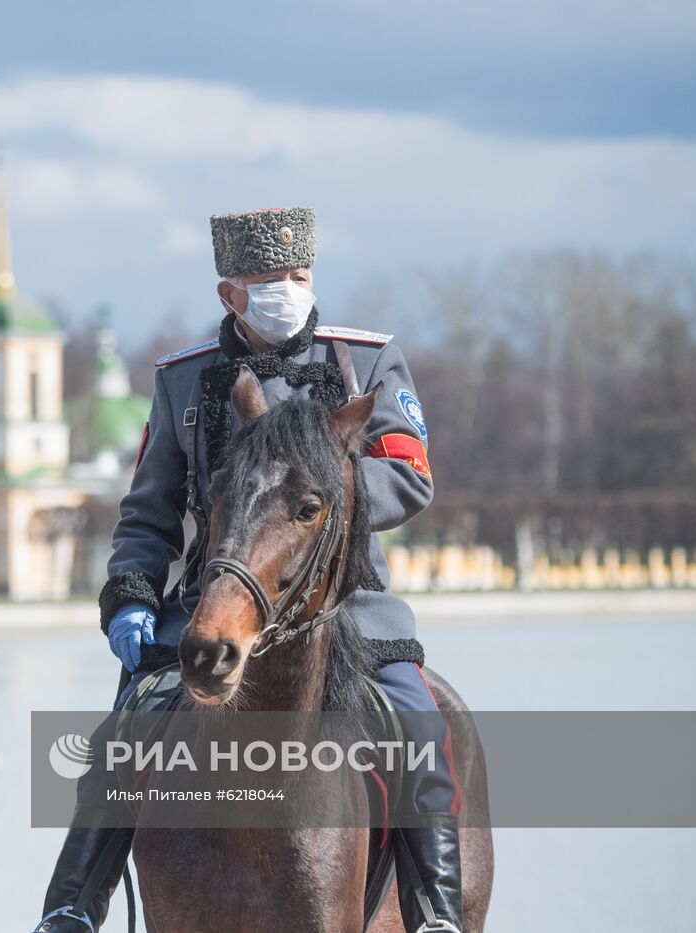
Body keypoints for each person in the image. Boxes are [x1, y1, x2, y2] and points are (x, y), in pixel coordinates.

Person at [33, 208, 462, 933]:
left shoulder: (368, 359)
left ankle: (437, 910)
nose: (287, 291)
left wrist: (331, 495)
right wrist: (131, 596)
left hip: (345, 601)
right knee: (124, 728)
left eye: (298, 276)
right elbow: (149, 510)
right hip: (223, 597)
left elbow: (411, 475)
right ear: (232, 294)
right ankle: (73, 905)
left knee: (418, 723)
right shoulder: (183, 380)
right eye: (269, 281)